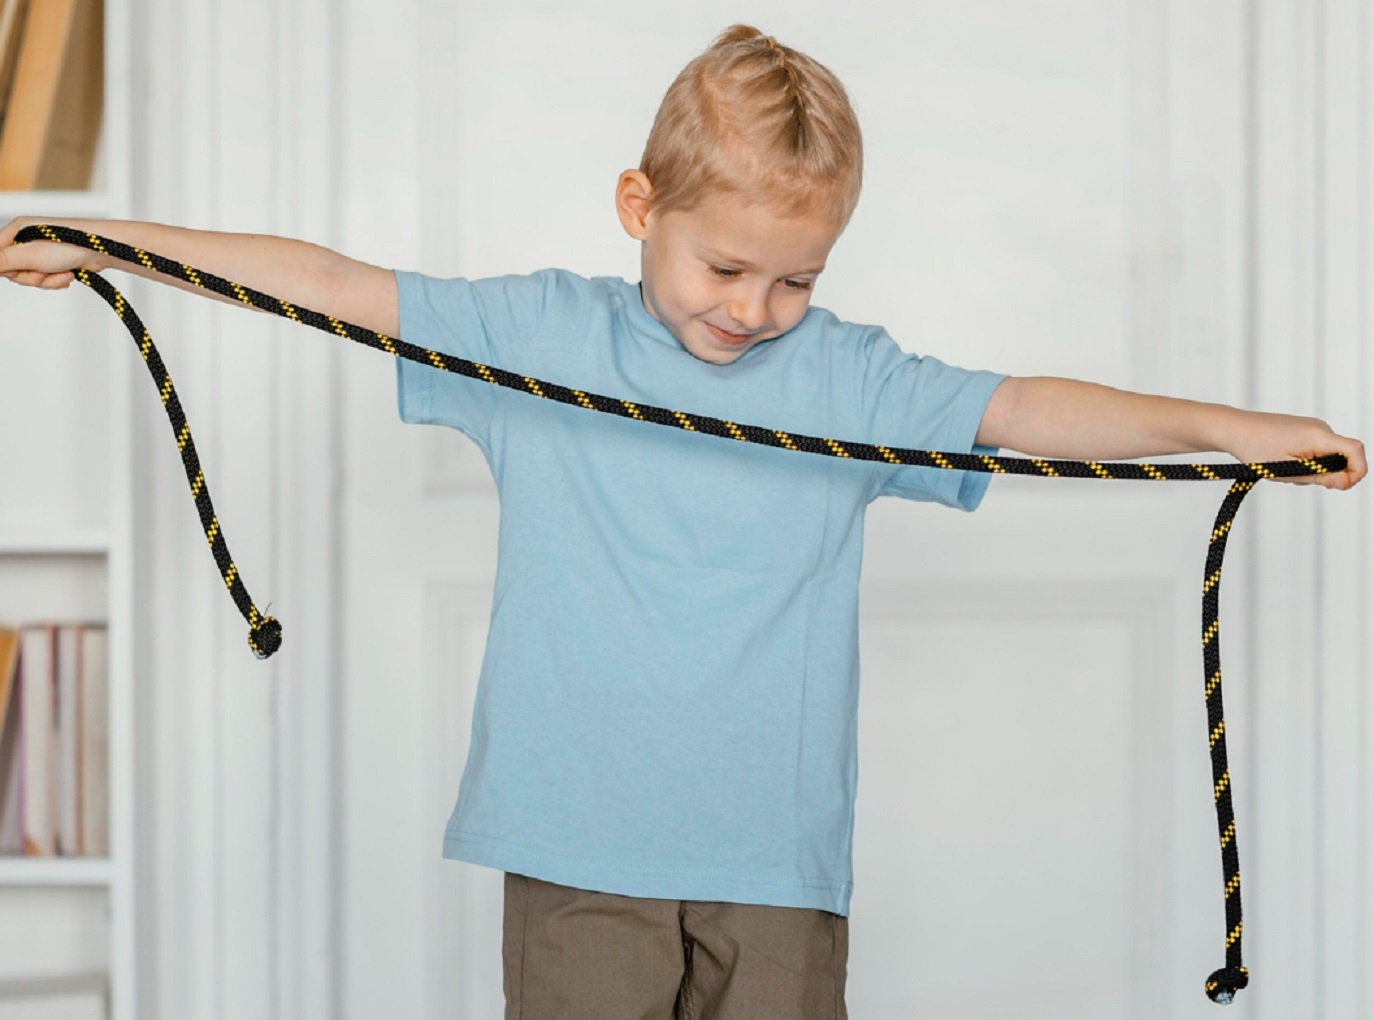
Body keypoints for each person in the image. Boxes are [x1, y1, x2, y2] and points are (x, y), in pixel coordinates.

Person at [0, 23, 1364, 1020]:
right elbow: (335, 285)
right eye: (725, 265)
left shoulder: (850, 381)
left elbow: (1024, 410)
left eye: (795, 279)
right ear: (637, 207)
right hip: (573, 854)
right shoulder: (535, 339)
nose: (754, 309)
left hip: (775, 866)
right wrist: (113, 243)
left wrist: (1232, 429)